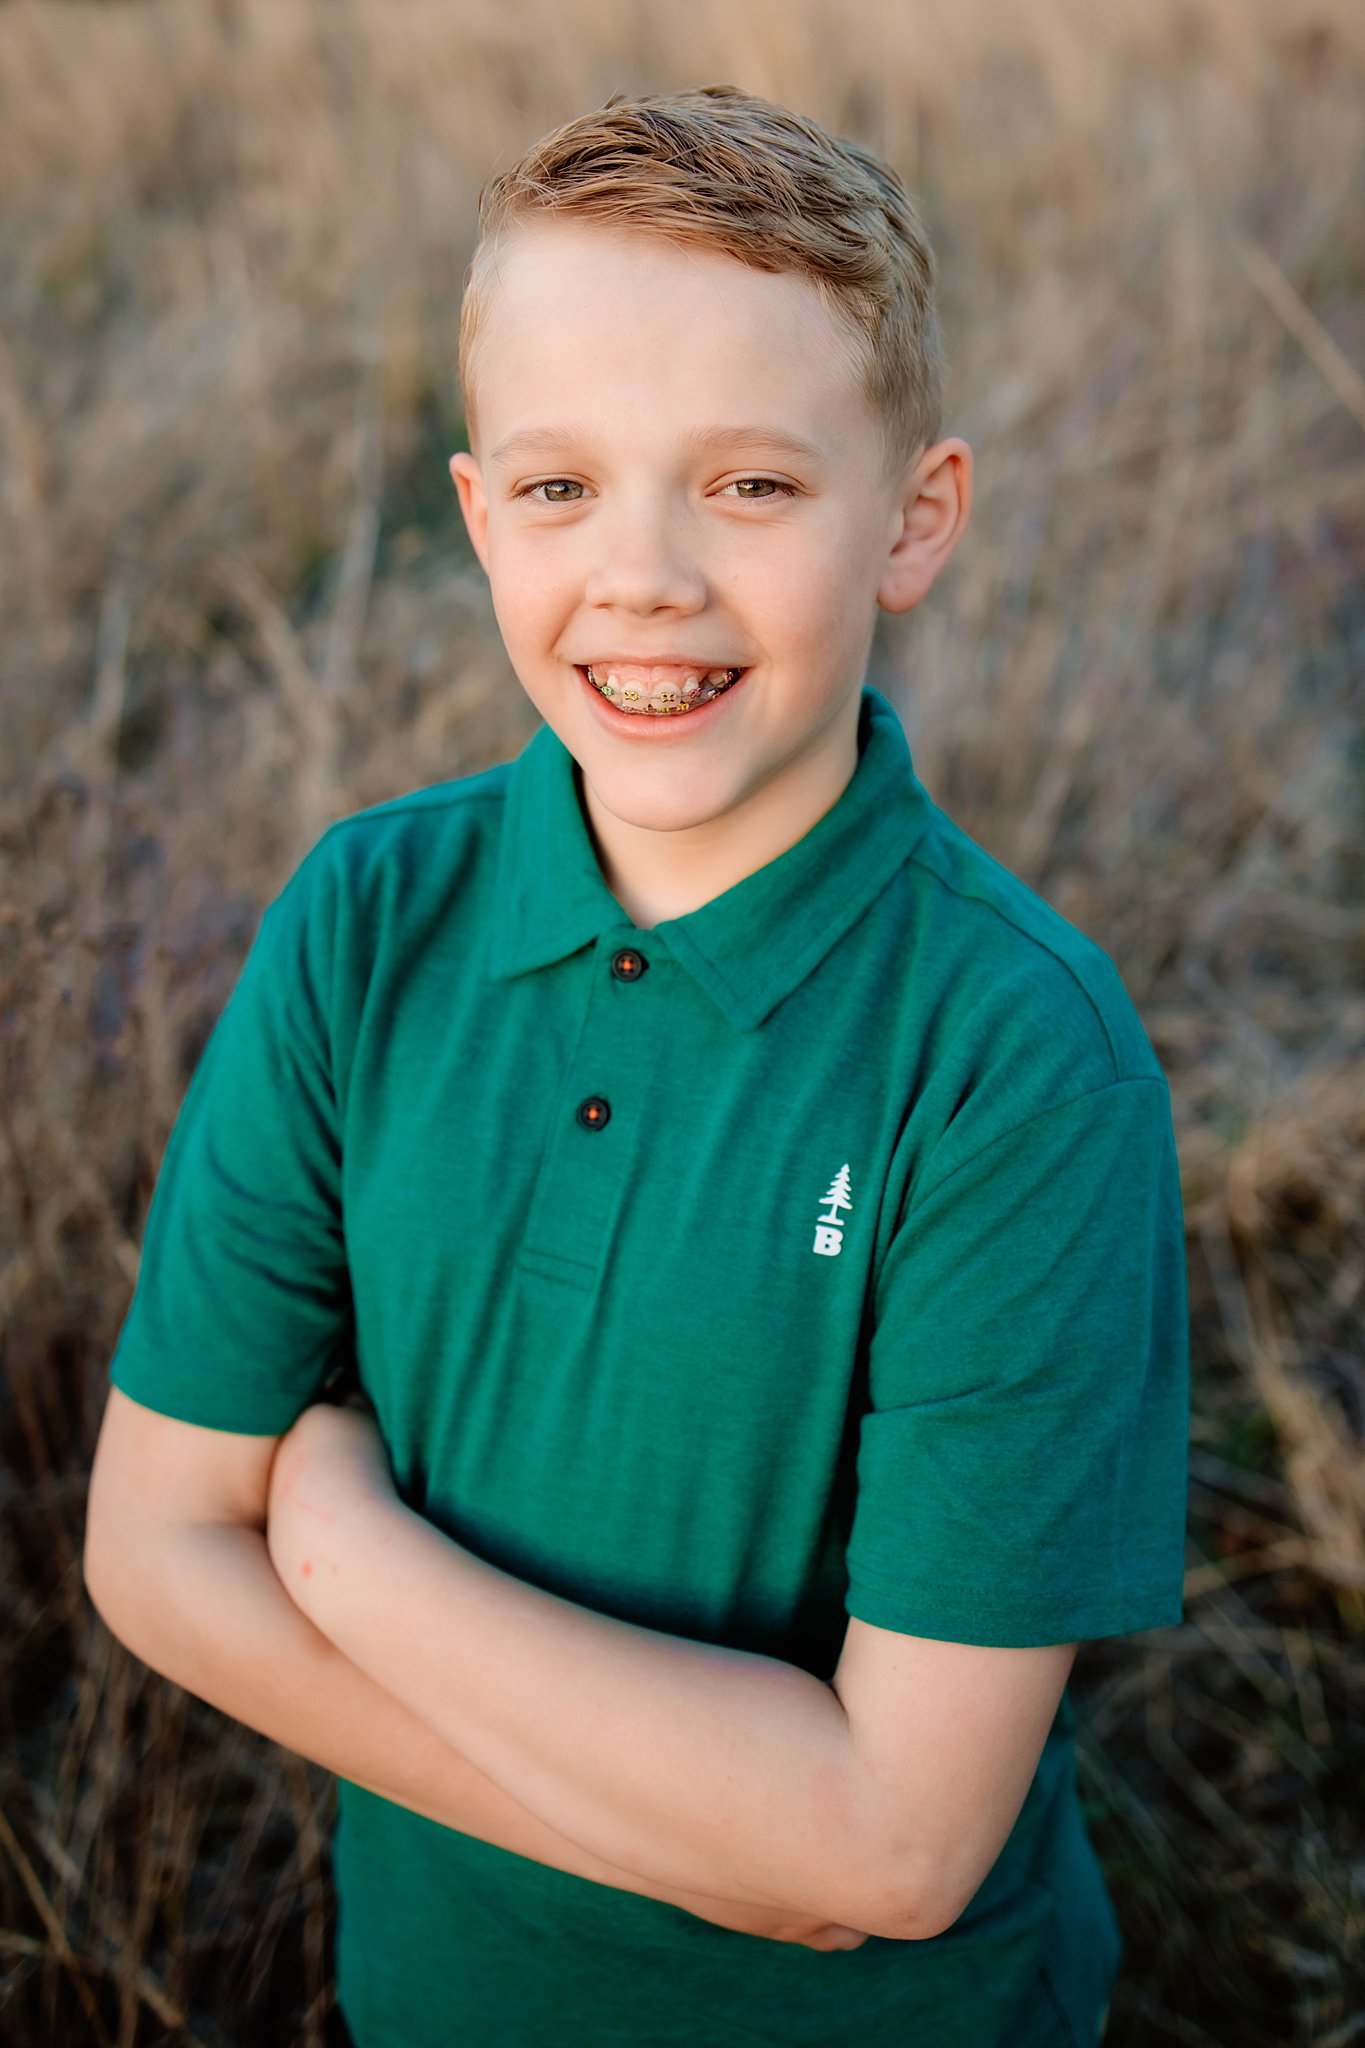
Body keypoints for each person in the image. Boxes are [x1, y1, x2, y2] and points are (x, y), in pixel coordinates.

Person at [84, 83, 1188, 2048]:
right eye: (559, 486)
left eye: (749, 486)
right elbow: (155, 1552)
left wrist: (347, 1552)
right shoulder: (365, 922)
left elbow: (900, 1848)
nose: (645, 577)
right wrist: (741, 1842)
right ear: (471, 511)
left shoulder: (1013, 1051)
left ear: (911, 517)